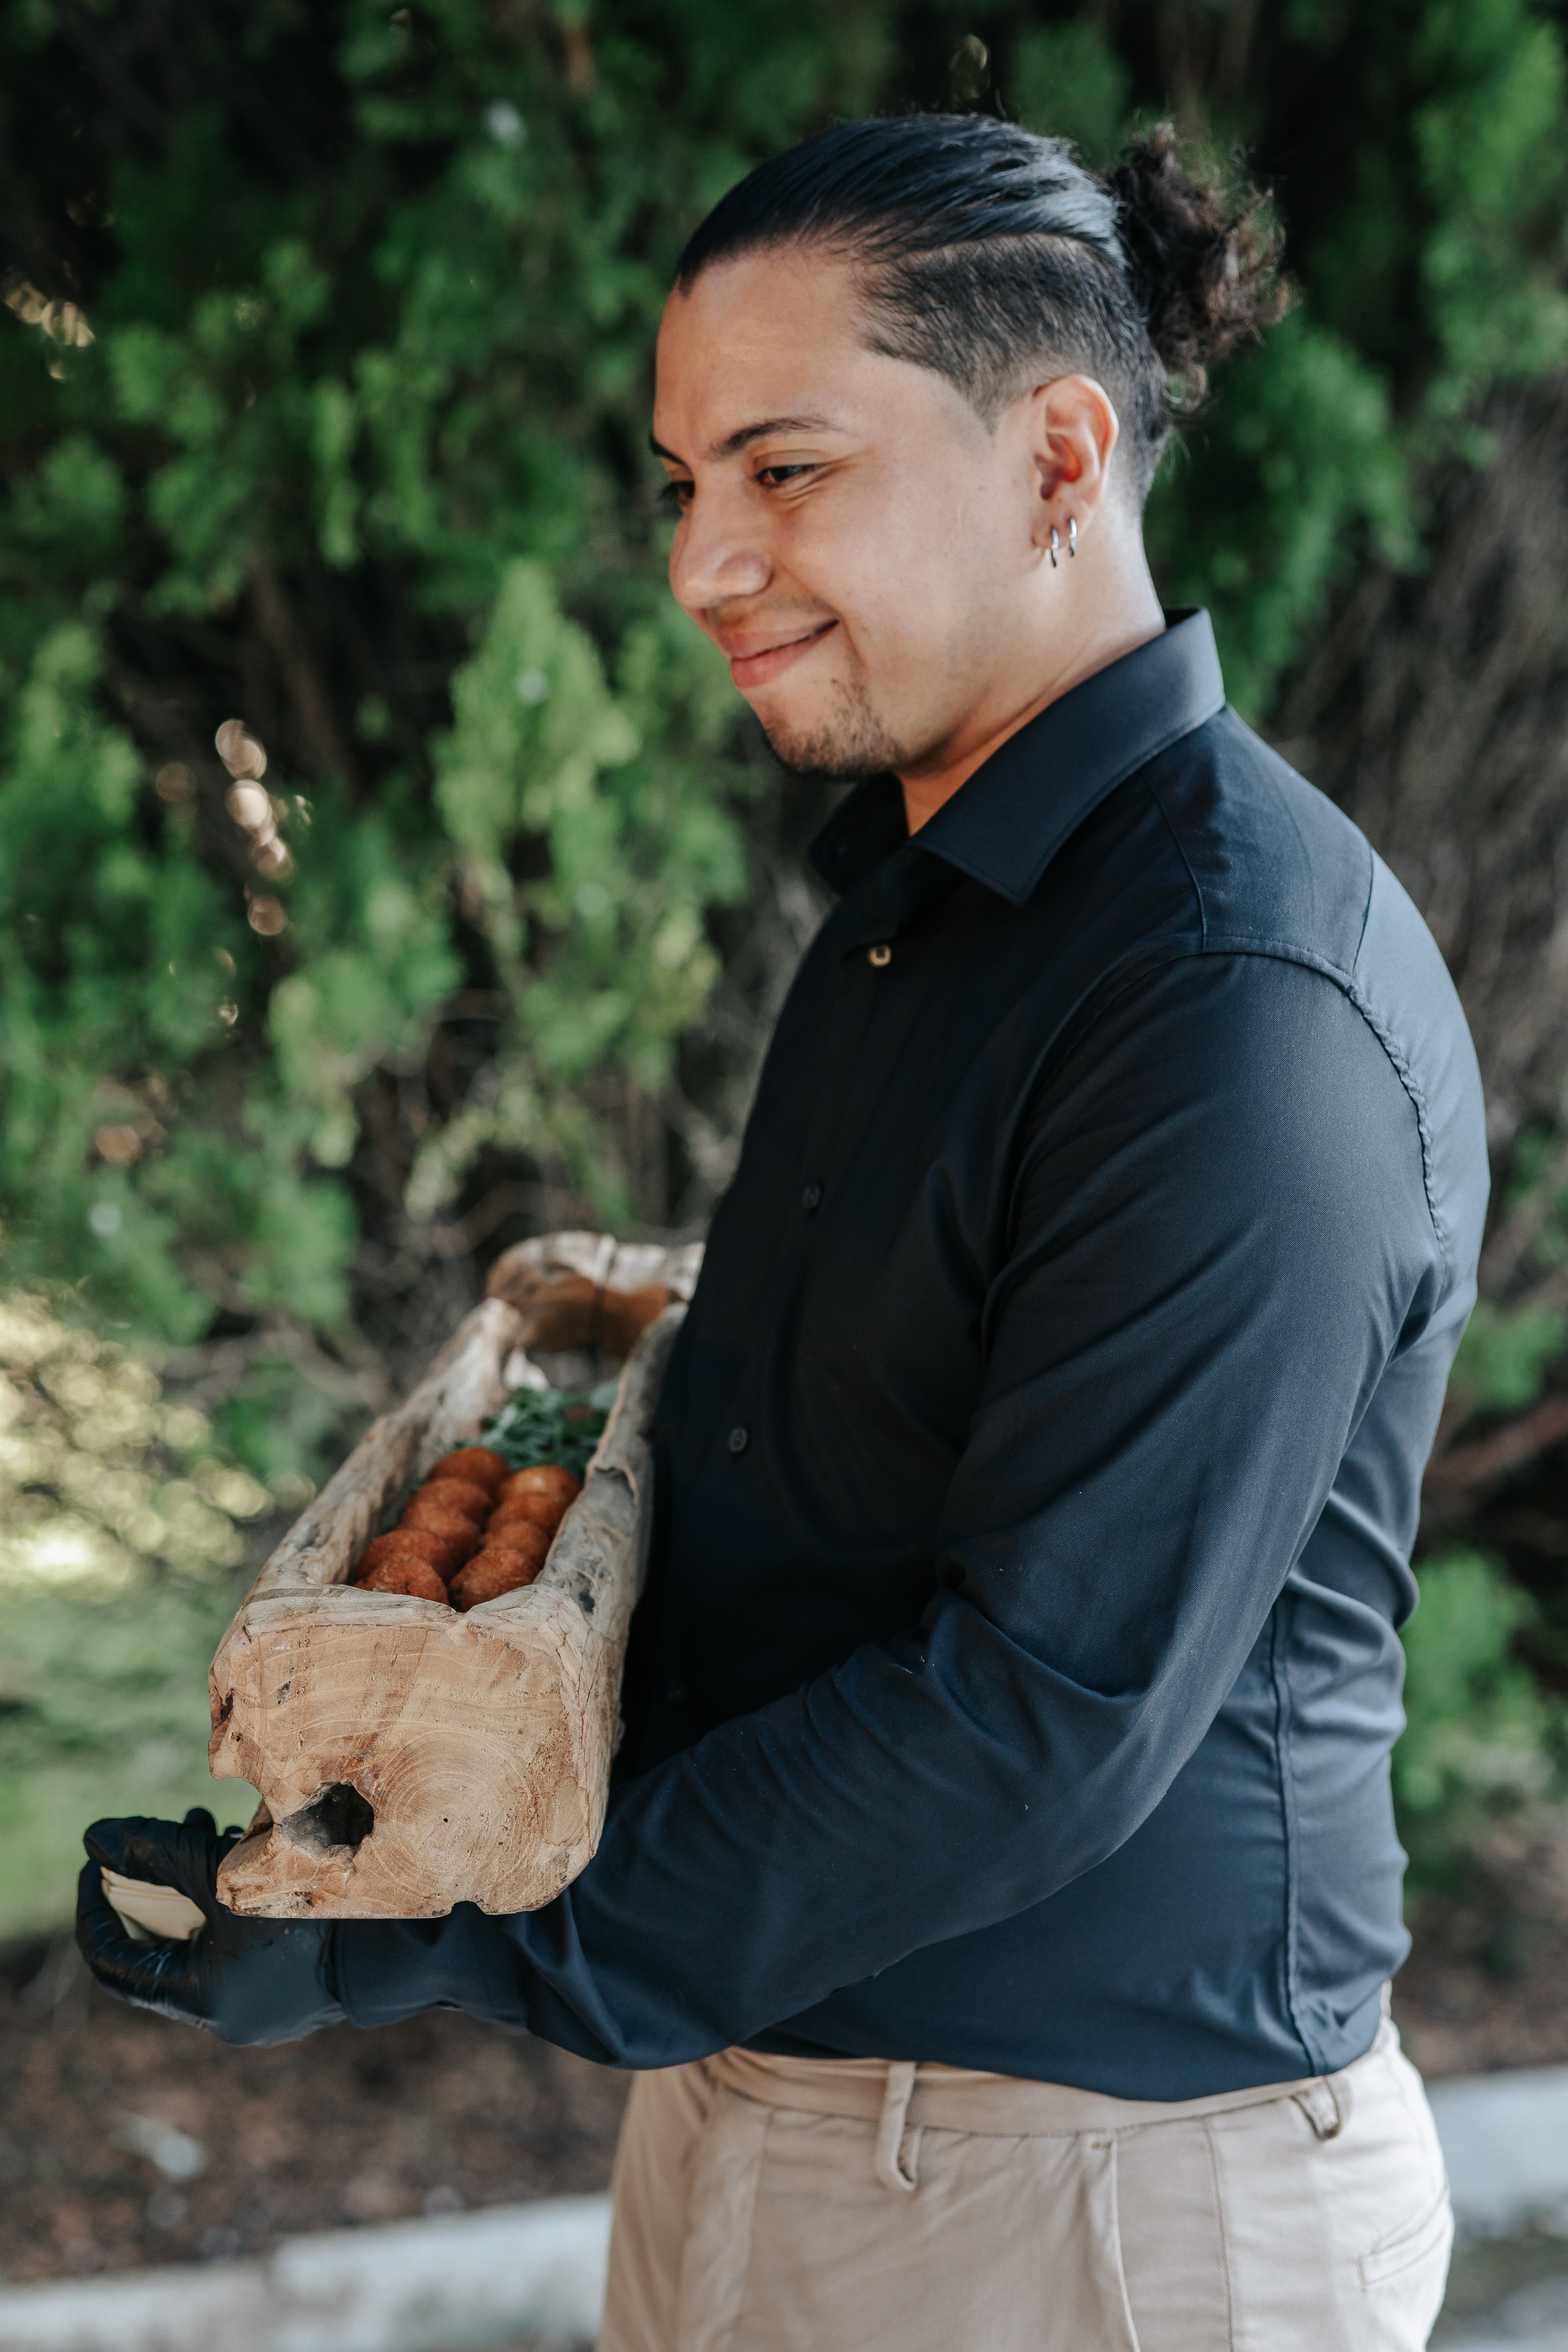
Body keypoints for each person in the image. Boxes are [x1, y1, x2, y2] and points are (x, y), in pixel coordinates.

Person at [78, 114, 1487, 2351]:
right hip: (769, 2122)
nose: (701, 562)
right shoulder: (928, 908)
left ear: (1058, 454)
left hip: (1100, 2215)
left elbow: (1034, 1714)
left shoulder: (1235, 1003)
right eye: (684, 483)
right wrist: (386, 1811)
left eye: (786, 468)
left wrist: (422, 1943)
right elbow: (807, 1499)